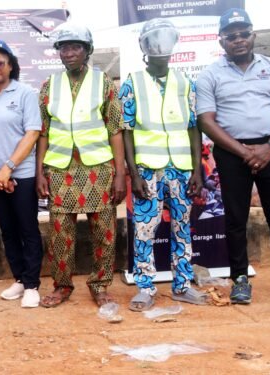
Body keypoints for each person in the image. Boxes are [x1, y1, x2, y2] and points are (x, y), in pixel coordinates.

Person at [197, 8, 270, 303]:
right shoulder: (210, 74)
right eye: (231, 36)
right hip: (230, 153)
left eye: (243, 34)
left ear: (253, 36)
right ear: (221, 41)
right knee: (235, 219)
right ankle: (239, 278)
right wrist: (244, 152)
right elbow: (206, 121)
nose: (238, 40)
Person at [119, 19, 208, 311]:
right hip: (147, 169)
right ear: (144, 48)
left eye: (165, 43)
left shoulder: (185, 83)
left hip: (181, 169)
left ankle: (182, 285)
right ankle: (145, 287)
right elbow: (127, 130)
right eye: (153, 43)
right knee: (145, 229)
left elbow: (194, 127)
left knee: (182, 228)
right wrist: (133, 173)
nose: (160, 49)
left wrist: (197, 170)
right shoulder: (132, 83)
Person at [36, 23, 126, 309]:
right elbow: (43, 133)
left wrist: (120, 174)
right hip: (61, 171)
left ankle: (100, 286)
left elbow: (115, 130)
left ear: (87, 51)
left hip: (98, 170)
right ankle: (62, 286)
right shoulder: (50, 85)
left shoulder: (104, 84)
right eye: (64, 47)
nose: (69, 53)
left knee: (104, 232)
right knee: (60, 234)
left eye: (76, 47)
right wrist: (40, 172)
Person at [0, 39, 43, 308]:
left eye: (0, 63)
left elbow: (32, 133)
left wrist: (7, 169)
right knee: (8, 231)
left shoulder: (25, 93)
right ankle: (20, 279)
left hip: (20, 175)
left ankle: (33, 284)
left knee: (28, 229)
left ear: (11, 66)